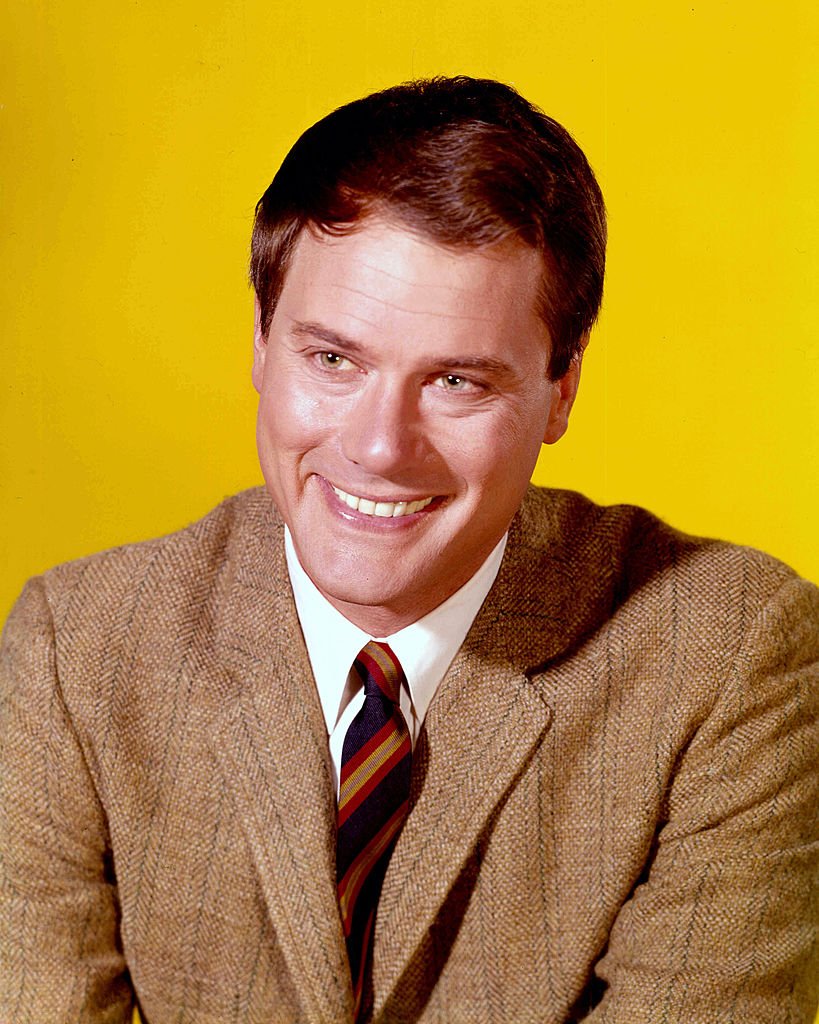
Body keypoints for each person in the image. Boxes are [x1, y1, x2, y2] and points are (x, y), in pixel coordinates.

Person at [1, 76, 817, 1024]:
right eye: (333, 359)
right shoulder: (78, 647)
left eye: (459, 381)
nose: (380, 447)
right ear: (262, 346)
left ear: (560, 390)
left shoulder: (728, 657)